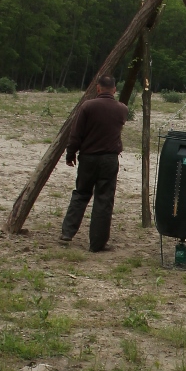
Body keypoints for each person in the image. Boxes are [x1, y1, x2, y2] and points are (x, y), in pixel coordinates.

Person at [59, 74, 128, 253]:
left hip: (88, 157)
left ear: (98, 88)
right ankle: (97, 244)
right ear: (114, 89)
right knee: (104, 200)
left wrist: (70, 153)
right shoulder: (122, 109)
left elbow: (76, 134)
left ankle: (67, 232)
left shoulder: (87, 106)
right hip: (109, 159)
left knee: (81, 193)